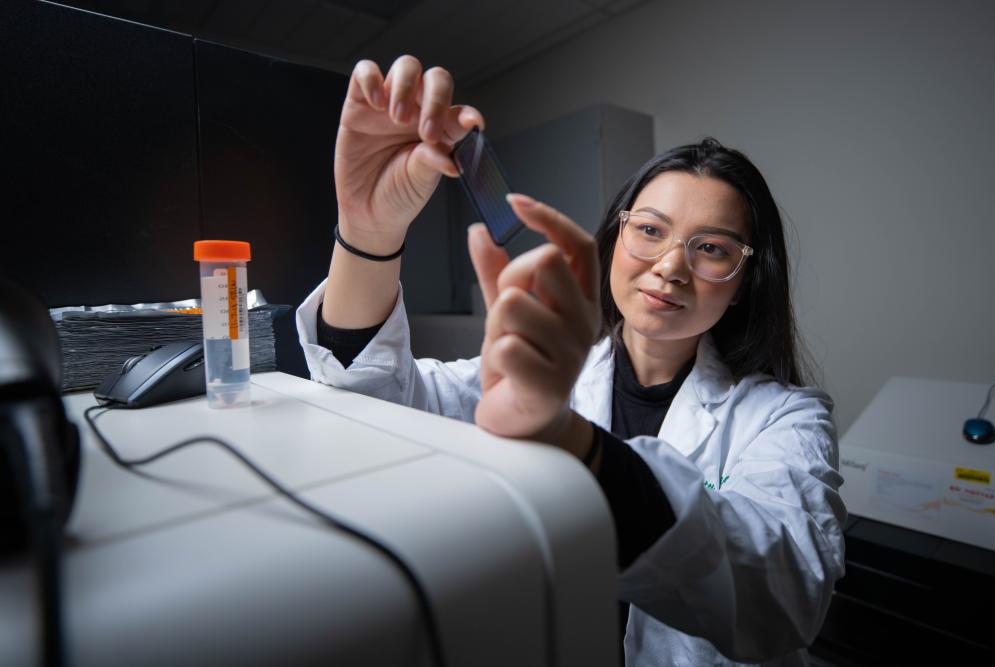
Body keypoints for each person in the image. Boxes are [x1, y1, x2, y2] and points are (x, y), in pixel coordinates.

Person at [296, 55, 847, 666]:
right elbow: (369, 408)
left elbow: (784, 595)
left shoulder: (785, 418)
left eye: (711, 248)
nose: (670, 266)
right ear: (615, 240)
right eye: (651, 231)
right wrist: (368, 233)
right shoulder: (535, 373)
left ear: (743, 281)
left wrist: (566, 438)